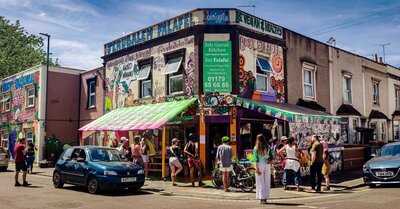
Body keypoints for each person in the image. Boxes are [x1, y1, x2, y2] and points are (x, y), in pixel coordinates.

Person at [253, 134, 273, 204]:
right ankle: (266, 198)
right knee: (267, 181)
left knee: (260, 182)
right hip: (267, 165)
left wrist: (257, 169)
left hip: (260, 165)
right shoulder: (268, 147)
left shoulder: (256, 148)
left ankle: (262, 198)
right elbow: (271, 157)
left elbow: (255, 159)